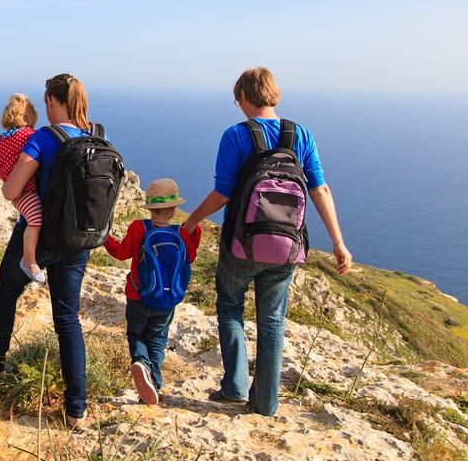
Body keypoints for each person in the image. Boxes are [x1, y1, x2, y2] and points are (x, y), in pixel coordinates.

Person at [182, 67, 352, 416]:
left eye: (237, 99)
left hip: (242, 244)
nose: (238, 105)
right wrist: (338, 242)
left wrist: (192, 220)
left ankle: (234, 387)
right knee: (272, 320)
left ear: (244, 96)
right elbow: (319, 188)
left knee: (230, 307)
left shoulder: (236, 135)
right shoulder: (300, 134)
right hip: (287, 247)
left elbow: (223, 193)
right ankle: (266, 403)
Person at [0, 74, 96, 429]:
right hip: (77, 240)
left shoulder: (44, 138)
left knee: (6, 293)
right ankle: (77, 411)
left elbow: (10, 189)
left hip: (40, 235)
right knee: (67, 319)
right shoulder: (95, 135)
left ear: (51, 102)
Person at [104, 178, 201, 405]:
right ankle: (154, 385)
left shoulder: (139, 228)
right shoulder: (181, 233)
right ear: (174, 209)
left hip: (138, 296)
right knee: (157, 339)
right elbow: (191, 258)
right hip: (167, 300)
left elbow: (121, 253)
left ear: (149, 208)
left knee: (136, 334)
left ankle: (140, 361)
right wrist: (194, 232)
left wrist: (105, 238)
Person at [0, 94, 46, 285]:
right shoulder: (30, 136)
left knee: (31, 218)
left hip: (17, 194)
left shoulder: (0, 142)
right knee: (36, 220)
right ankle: (29, 260)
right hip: (27, 190)